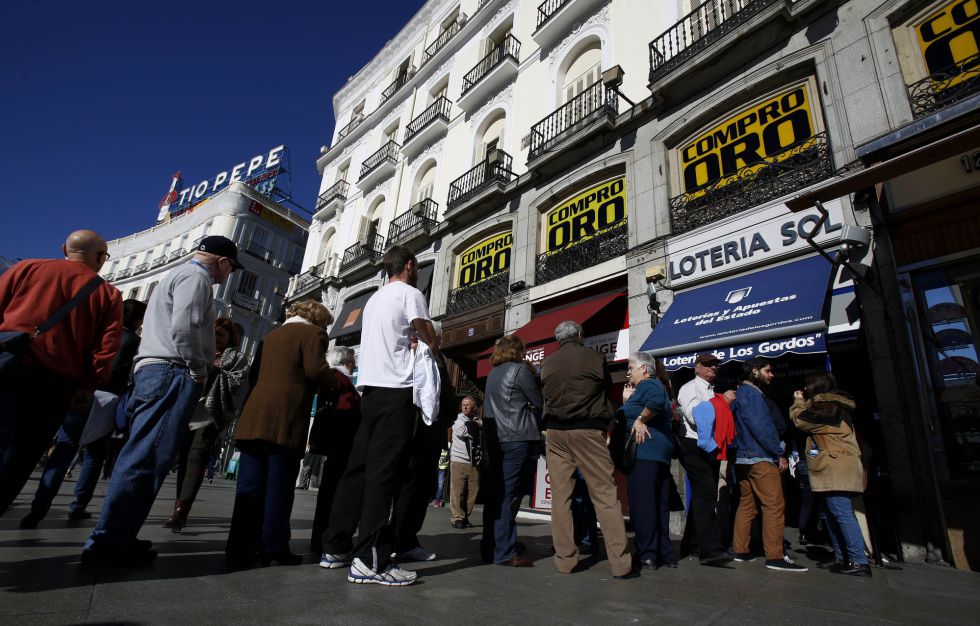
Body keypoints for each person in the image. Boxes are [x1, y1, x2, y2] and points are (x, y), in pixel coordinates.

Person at [82, 235, 241, 565]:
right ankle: (110, 542)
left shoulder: (176, 275)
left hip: (156, 369)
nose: (227, 277)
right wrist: (198, 367)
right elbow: (185, 326)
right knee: (148, 457)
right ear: (223, 262)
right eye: (231, 269)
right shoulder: (197, 278)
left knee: (143, 453)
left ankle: (118, 534)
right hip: (173, 370)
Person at [319, 245, 439, 586]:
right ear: (411, 265)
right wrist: (426, 338)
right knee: (384, 474)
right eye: (416, 268)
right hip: (395, 391)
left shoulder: (373, 299)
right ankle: (371, 560)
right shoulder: (410, 293)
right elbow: (431, 339)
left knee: (357, 470)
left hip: (369, 390)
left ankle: (336, 546)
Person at [0, 229, 122, 515]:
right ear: (101, 258)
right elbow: (106, 350)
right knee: (23, 457)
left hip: (8, 367)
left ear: (64, 249)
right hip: (55, 385)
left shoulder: (27, 268)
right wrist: (89, 386)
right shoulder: (106, 294)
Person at [225, 300, 336, 567]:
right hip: (284, 418)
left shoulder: (270, 336)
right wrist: (335, 382)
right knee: (279, 486)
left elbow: (254, 377)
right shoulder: (313, 334)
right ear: (318, 320)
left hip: (255, 417)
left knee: (249, 487)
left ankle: (239, 546)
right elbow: (315, 370)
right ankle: (273, 546)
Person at [18, 299, 146, 528]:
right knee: (94, 457)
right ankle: (78, 505)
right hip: (109, 399)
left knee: (64, 450)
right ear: (138, 319)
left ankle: (39, 508)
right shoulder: (135, 342)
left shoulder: (101, 333)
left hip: (83, 392)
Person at [540, 321, 634, 579]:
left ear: (558, 339)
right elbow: (604, 389)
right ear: (580, 335)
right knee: (604, 495)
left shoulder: (547, 363)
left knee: (561, 499)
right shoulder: (595, 358)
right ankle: (621, 563)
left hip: (556, 433)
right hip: (587, 431)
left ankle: (565, 560)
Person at [165, 317, 249, 532]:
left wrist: (212, 371)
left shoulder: (236, 358)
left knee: (196, 458)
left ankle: (180, 512)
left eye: (220, 334)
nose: (215, 338)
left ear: (231, 338)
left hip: (211, 414)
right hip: (186, 411)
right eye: (212, 333)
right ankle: (179, 504)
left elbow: (237, 381)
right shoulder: (198, 352)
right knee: (184, 459)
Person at [789, 372, 871, 577]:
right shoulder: (833, 406)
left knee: (841, 514)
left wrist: (798, 402)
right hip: (833, 465)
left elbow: (800, 421)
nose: (805, 389)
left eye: (808, 386)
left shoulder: (830, 408)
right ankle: (842, 557)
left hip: (836, 466)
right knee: (832, 514)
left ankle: (858, 561)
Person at [731, 357, 807, 572]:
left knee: (747, 504)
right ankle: (775, 556)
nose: (771, 375)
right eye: (767, 371)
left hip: (744, 457)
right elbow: (761, 426)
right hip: (759, 456)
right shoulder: (753, 395)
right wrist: (777, 450)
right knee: (774, 505)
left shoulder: (741, 393)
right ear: (755, 372)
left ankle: (740, 550)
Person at [481, 334, 543, 567]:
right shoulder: (520, 370)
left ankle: (491, 546)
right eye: (522, 350)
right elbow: (537, 402)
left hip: (497, 439)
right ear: (516, 351)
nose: (524, 354)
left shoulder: (492, 374)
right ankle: (505, 551)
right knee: (509, 496)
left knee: (496, 495)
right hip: (518, 436)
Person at [676, 352, 735, 564]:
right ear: (697, 367)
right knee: (706, 494)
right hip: (694, 446)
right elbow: (694, 416)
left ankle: (692, 544)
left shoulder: (709, 389)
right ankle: (707, 548)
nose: (713, 368)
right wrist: (722, 403)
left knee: (703, 494)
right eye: (708, 365)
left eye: (715, 365)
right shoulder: (691, 387)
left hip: (707, 447)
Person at [622, 352, 676, 570]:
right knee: (658, 505)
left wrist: (639, 418)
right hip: (657, 454)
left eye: (631, 367)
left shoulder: (649, 385)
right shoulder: (644, 388)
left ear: (644, 369)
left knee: (644, 506)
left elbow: (655, 401)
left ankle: (648, 554)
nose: (628, 372)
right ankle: (663, 553)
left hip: (645, 454)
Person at [310, 346, 361, 555]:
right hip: (340, 442)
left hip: (338, 442)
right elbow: (343, 408)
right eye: (351, 361)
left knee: (330, 490)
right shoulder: (339, 379)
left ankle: (322, 536)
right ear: (344, 361)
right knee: (333, 491)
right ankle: (324, 537)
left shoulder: (340, 378)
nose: (354, 365)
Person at [449, 396, 481, 529]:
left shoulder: (475, 420)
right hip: (459, 460)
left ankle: (465, 515)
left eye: (468, 405)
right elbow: (461, 431)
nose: (465, 407)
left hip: (474, 461)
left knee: (473, 490)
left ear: (474, 407)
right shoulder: (458, 419)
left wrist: (475, 424)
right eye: (463, 405)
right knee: (458, 491)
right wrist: (475, 425)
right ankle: (457, 517)